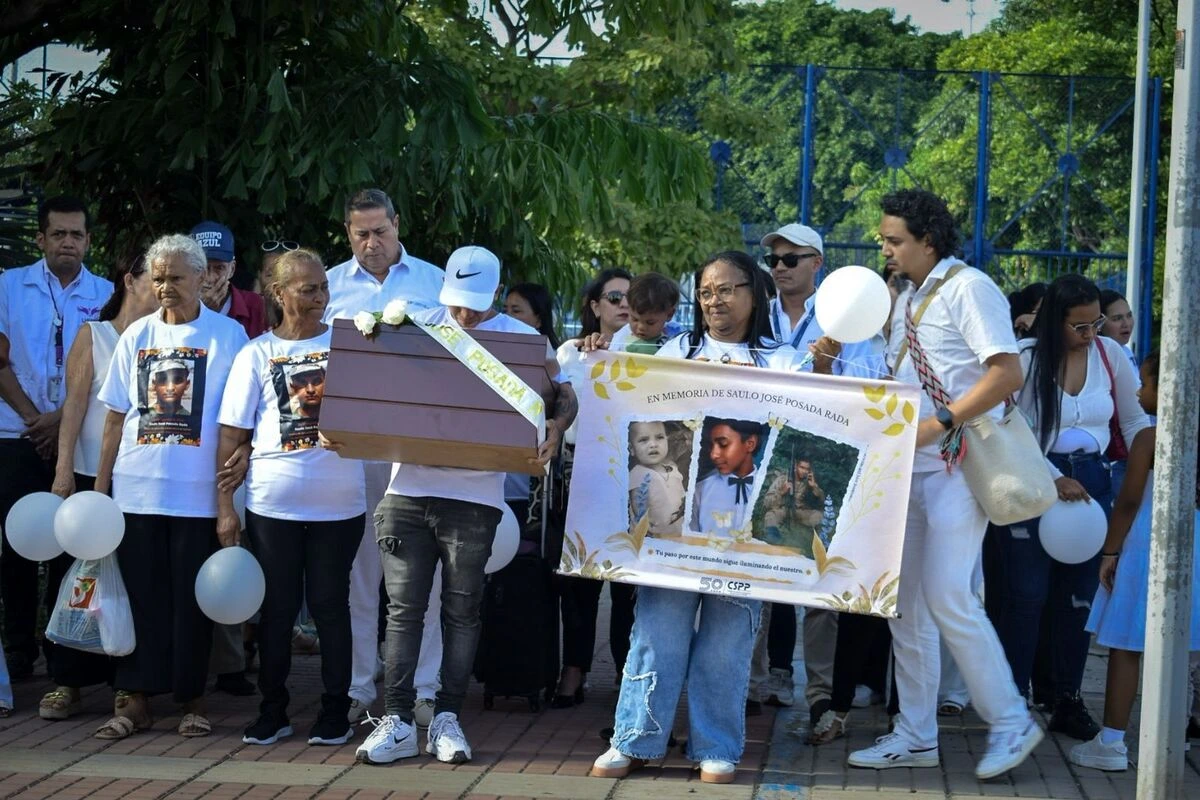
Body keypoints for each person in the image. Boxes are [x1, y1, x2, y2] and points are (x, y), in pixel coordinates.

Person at [354, 245, 575, 765]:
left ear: (496, 291)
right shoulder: (416, 325)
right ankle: (397, 721)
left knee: (461, 612)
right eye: (456, 302)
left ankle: (447, 717)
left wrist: (556, 425)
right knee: (404, 612)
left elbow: (565, 395)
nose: (464, 314)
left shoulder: (523, 339)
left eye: (475, 304)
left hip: (475, 499)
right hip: (406, 492)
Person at [847, 189, 1039, 779]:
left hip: (960, 462)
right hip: (911, 468)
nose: (885, 249)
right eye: (884, 239)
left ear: (928, 240)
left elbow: (1007, 373)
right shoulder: (909, 297)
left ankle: (1011, 720)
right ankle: (915, 736)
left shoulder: (968, 288)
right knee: (905, 607)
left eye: (894, 240)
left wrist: (943, 420)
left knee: (949, 595)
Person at [591, 250, 802, 785]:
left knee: (728, 642)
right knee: (657, 630)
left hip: (743, 532)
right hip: (673, 525)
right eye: (706, 292)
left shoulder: (784, 362)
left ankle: (717, 747)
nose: (714, 301)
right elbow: (634, 415)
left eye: (727, 289)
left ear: (755, 293)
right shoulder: (677, 350)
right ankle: (634, 739)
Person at [93, 234, 249, 739]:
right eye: (158, 278)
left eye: (175, 278)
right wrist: (100, 492)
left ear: (202, 277)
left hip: (198, 496)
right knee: (141, 597)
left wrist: (231, 488)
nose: (164, 287)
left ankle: (192, 700)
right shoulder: (136, 334)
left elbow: (242, 419)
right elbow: (114, 419)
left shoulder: (229, 336)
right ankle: (135, 699)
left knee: (192, 601)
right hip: (136, 490)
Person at [984, 274, 1151, 742]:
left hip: (1092, 481)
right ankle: (1011, 704)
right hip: (1031, 478)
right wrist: (1051, 476)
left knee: (1078, 597)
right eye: (1080, 326)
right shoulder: (1025, 358)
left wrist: (1146, 463)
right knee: (1025, 595)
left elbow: (1134, 419)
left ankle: (1066, 699)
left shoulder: (1109, 355)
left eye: (1096, 323)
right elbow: (1006, 425)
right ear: (1055, 321)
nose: (1090, 334)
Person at [216, 248, 366, 747]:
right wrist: (225, 509)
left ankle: (335, 711)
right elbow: (232, 435)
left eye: (324, 287)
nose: (320, 296)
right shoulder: (255, 354)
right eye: (308, 289)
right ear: (278, 294)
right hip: (272, 506)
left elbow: (375, 415)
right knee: (277, 610)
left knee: (330, 606)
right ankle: (273, 710)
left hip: (339, 505)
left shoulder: (350, 345)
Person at [322, 188, 445, 724]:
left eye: (380, 231)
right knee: (361, 572)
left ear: (398, 224)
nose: (372, 243)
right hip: (355, 448)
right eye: (361, 234)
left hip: (418, 447)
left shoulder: (434, 283)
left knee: (423, 573)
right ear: (348, 234)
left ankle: (425, 687)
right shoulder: (328, 286)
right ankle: (359, 685)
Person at [758, 223, 888, 724]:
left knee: (820, 580)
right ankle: (753, 681)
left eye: (791, 259)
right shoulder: (758, 314)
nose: (780, 268)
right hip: (766, 458)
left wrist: (828, 369)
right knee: (756, 570)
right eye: (773, 259)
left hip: (827, 460)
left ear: (817, 264)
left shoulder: (849, 318)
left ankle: (821, 693)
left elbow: (872, 394)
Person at [41, 253, 159, 721]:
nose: (164, 288)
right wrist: (63, 471)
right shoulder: (94, 334)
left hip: (137, 481)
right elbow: (74, 406)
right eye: (155, 278)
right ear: (130, 281)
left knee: (129, 582)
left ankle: (125, 684)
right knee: (75, 578)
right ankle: (66, 681)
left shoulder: (162, 339)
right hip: (89, 476)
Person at [1068, 353, 1200, 770]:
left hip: (1149, 542)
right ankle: (1173, 735)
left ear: (1169, 388)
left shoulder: (1151, 437)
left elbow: (1127, 502)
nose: (1139, 391)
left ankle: (1111, 743)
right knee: (1185, 646)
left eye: (1146, 383)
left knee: (1126, 644)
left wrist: (1110, 550)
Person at [0, 195, 113, 681]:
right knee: (19, 545)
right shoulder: (8, 286)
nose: (68, 242)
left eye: (77, 234)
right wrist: (36, 420)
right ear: (40, 238)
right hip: (16, 433)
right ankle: (19, 648)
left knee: (72, 543)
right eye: (59, 233)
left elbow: (107, 372)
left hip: (78, 438)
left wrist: (61, 420)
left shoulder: (107, 293)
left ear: (88, 241)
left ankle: (62, 649)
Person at [552, 267, 634, 709]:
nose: (625, 305)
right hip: (581, 477)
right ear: (595, 305)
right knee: (579, 580)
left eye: (631, 297)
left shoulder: (653, 352)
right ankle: (574, 670)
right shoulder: (571, 352)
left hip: (633, 480)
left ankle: (627, 673)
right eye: (615, 297)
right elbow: (560, 414)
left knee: (628, 584)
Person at [190, 220, 266, 696]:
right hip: (186, 453)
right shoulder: (169, 309)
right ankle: (200, 664)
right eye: (202, 266)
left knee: (235, 550)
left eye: (218, 266)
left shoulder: (254, 309)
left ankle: (235, 661)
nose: (210, 275)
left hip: (241, 454)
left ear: (233, 268)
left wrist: (249, 447)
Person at [628, 420, 686, 536]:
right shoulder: (638, 475)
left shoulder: (672, 468)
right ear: (632, 449)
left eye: (659, 437)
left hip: (677, 533)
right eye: (644, 440)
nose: (653, 444)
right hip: (653, 538)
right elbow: (640, 515)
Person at [608, 272, 682, 354]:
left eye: (650, 322)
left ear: (669, 314)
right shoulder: (622, 337)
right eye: (635, 319)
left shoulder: (678, 337)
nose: (641, 327)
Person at [503, 282, 560, 349]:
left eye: (516, 311)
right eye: (504, 311)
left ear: (539, 320)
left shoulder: (552, 354)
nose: (506, 316)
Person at [1098, 289, 1137, 369]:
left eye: (1129, 315)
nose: (1126, 324)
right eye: (1117, 318)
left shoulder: (1126, 351)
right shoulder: (1096, 359)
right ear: (1099, 323)